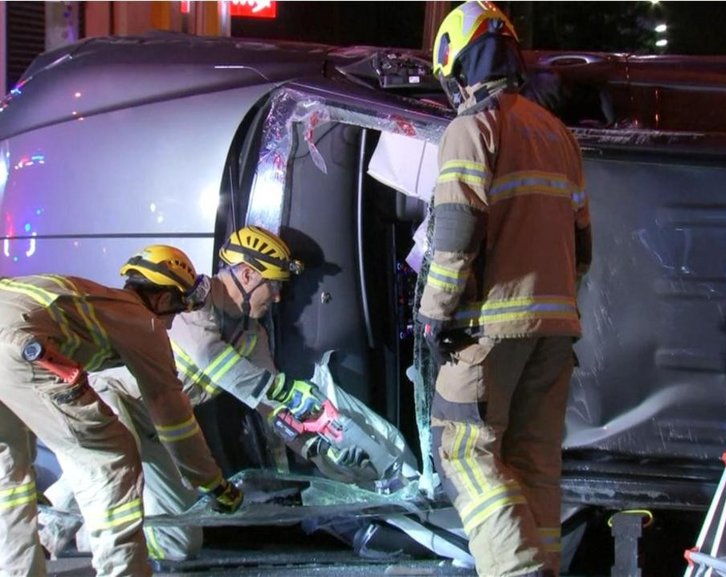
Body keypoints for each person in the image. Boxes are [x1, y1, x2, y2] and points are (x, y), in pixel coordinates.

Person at [42, 225, 414, 562]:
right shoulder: (191, 300)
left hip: (155, 427)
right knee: (114, 457)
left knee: (180, 544)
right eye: (274, 284)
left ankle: (89, 535)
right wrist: (281, 389)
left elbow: (273, 409)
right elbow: (214, 362)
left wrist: (324, 451)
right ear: (248, 275)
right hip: (111, 400)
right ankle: (44, 528)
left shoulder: (253, 335)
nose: (280, 297)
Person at [417, 2, 592, 577]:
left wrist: (434, 314)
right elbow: (583, 243)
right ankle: (542, 564)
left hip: (489, 330)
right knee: (533, 462)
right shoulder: (557, 134)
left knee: (465, 451)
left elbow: (456, 234)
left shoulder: (471, 129)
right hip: (555, 330)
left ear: (459, 64)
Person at [0, 245, 243, 577]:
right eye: (178, 304)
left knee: (9, 477)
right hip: (24, 349)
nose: (174, 320)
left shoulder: (95, 297)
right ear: (160, 298)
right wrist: (212, 483)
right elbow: (173, 419)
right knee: (112, 459)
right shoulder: (142, 322)